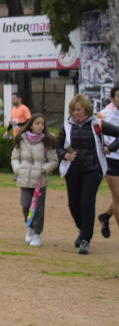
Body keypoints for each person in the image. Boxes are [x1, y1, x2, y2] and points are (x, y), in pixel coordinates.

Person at [55, 94, 119, 255]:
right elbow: (58, 147)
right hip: (73, 170)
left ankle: (86, 240)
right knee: (74, 205)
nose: (75, 113)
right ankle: (83, 230)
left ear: (86, 110)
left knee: (87, 202)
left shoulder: (97, 124)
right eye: (73, 110)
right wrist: (65, 155)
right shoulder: (67, 126)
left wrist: (110, 149)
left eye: (78, 110)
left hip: (93, 169)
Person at [12, 114, 59, 246]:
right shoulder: (21, 139)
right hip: (25, 179)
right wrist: (18, 169)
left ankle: (37, 234)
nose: (40, 126)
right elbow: (15, 157)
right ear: (31, 125)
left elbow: (54, 160)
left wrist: (43, 170)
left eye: (42, 124)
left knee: (38, 208)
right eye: (37, 123)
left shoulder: (47, 141)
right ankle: (30, 227)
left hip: (39, 181)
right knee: (25, 205)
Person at [97, 86, 119, 238]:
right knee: (118, 197)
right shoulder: (104, 114)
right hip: (112, 160)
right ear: (112, 99)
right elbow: (95, 133)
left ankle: (105, 216)